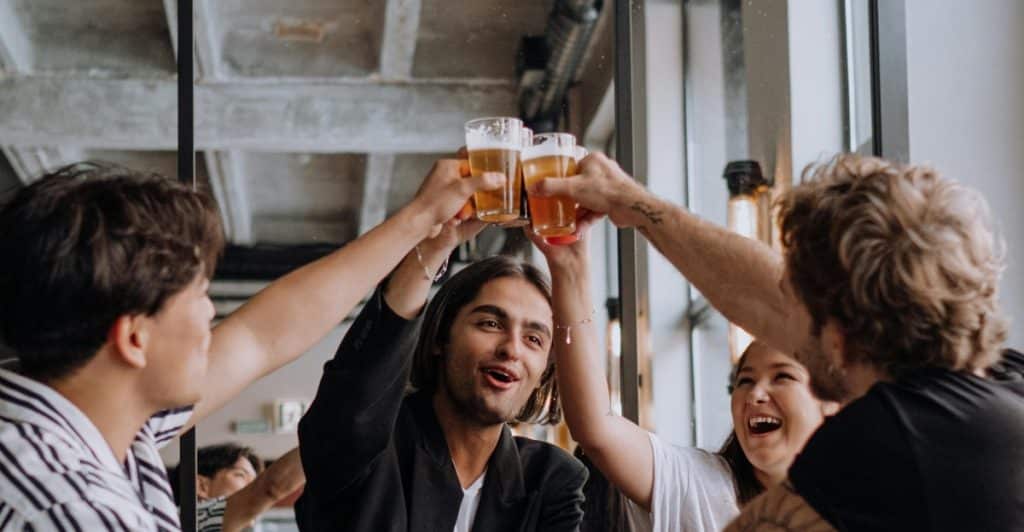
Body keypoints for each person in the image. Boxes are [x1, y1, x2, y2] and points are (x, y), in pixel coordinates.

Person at [530, 152, 1024, 530]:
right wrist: (629, 203)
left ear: (839, 327)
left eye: (804, 298)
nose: (787, 320)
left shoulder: (888, 436)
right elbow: (764, 293)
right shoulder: (1004, 388)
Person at [0, 159, 499, 530]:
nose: (211, 315)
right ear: (134, 338)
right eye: (198, 296)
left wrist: (424, 226)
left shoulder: (78, 414)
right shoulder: (75, 513)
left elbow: (262, 335)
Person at [525, 219, 838, 532]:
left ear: (830, 401)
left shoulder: (863, 503)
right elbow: (595, 427)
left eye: (782, 377)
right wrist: (569, 267)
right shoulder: (702, 484)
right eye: (745, 380)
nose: (756, 394)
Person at [295, 227, 588, 530]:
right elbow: (354, 404)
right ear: (440, 337)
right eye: (490, 323)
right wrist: (433, 248)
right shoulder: (375, 453)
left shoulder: (551, 478)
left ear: (544, 372)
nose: (512, 348)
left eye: (533, 339)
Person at [192, 444, 304, 532]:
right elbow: (271, 488)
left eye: (255, 481)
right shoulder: (196, 518)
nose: (252, 486)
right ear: (201, 486)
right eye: (241, 475)